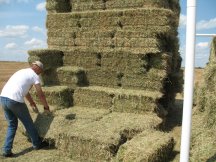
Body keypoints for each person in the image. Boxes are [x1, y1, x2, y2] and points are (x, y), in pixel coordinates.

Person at [0, 61, 50, 157]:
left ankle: (6, 150)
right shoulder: (35, 76)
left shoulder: (21, 71)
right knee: (28, 123)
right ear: (38, 68)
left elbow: (25, 91)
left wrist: (31, 102)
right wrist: (46, 107)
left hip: (3, 98)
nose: (40, 73)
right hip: (15, 101)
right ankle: (37, 144)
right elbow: (40, 93)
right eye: (40, 71)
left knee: (12, 125)